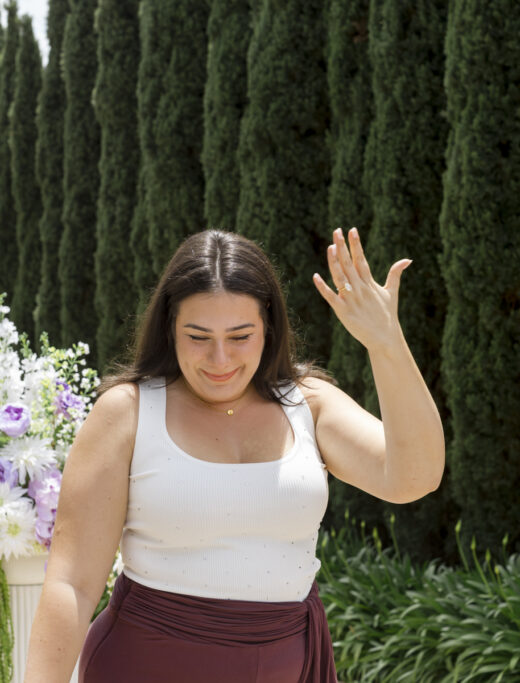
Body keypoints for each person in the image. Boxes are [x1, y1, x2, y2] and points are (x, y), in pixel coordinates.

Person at [24, 227, 445, 682]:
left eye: (240, 336)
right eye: (198, 336)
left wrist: (387, 345)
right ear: (170, 329)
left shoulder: (310, 404)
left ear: (269, 327)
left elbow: (414, 478)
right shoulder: (128, 412)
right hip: (145, 665)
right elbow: (73, 584)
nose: (220, 358)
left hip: (287, 666)